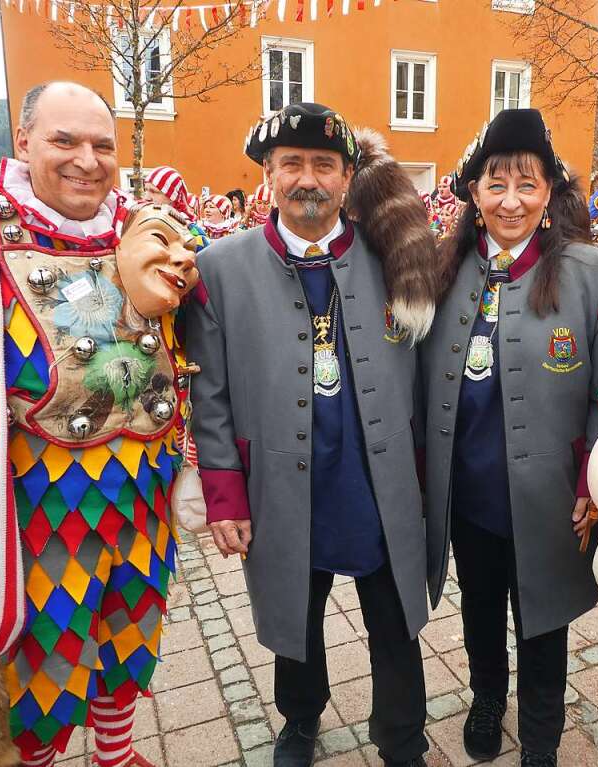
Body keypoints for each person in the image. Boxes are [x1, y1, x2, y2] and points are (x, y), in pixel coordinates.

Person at [0, 81, 201, 767]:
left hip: (142, 495)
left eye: (102, 145)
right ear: (23, 140)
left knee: (129, 635)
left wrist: (191, 466)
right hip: (37, 503)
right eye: (65, 141)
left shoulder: (137, 228)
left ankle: (115, 755)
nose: (86, 160)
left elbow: (181, 345)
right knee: (45, 668)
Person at [185, 102, 442, 767]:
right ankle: (300, 720)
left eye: (324, 165)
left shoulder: (396, 258)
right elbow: (207, 393)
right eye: (291, 163)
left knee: (393, 622)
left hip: (377, 479)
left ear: (348, 176)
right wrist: (225, 496)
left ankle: (403, 736)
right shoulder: (219, 268)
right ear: (267, 174)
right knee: (295, 617)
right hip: (281, 479)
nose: (308, 179)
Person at [421, 108, 598, 767]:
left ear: (548, 194)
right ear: (474, 195)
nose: (511, 200)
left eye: (527, 183)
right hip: (471, 496)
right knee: (480, 608)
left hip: (551, 498)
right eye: (496, 184)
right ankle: (487, 696)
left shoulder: (596, 276)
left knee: (545, 622)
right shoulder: (439, 274)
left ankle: (541, 737)